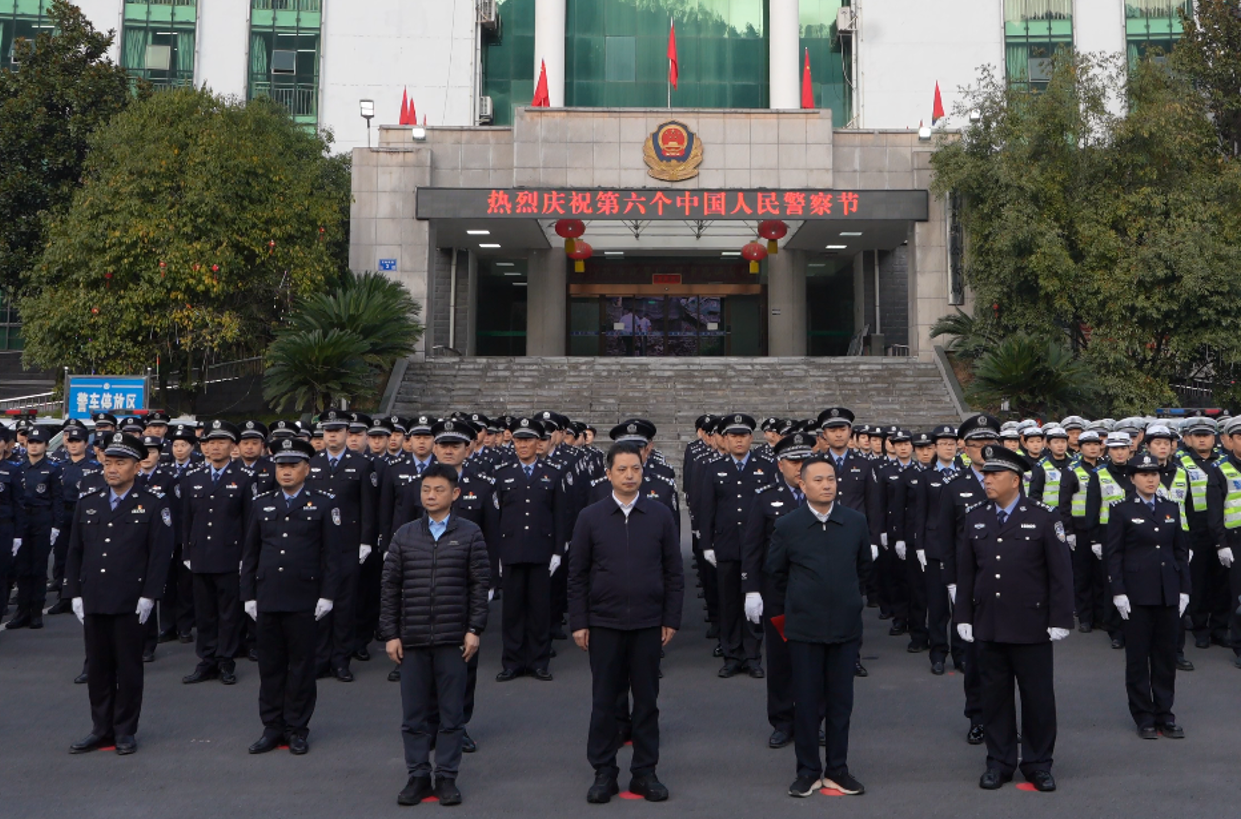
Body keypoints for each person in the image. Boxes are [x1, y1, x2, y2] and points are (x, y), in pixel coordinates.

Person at [954, 445, 1073, 792]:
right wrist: (963, 614)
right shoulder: (976, 517)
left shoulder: (1043, 516)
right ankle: (1000, 761)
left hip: (1031, 624)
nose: (987, 479)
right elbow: (967, 571)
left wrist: (1060, 617)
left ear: (1015, 480)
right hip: (989, 622)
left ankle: (1037, 763)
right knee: (994, 697)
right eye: (985, 474)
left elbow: (1060, 573)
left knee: (1037, 699)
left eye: (994, 475)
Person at [569, 442, 682, 804]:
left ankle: (645, 772)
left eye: (635, 468)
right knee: (604, 701)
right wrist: (579, 622)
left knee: (647, 701)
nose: (630, 475)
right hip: (604, 623)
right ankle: (604, 772)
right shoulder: (590, 517)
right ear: (609, 474)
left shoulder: (661, 515)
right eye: (622, 469)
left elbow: (673, 572)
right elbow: (577, 575)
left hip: (649, 623)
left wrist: (671, 618)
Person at [381, 463, 489, 807]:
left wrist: (474, 630)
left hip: (452, 639)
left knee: (450, 714)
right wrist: (390, 634)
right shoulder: (405, 534)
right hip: (412, 639)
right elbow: (390, 588)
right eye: (426, 489)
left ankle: (446, 777)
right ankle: (416, 775)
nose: (431, 495)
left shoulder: (470, 533)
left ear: (455, 494)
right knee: (413, 715)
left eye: (439, 490)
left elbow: (479, 586)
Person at [766, 456, 871, 798]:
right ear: (802, 484)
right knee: (807, 703)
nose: (827, 485)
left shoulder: (854, 522)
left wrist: (852, 600)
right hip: (803, 629)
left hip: (844, 627)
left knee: (841, 703)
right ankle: (808, 770)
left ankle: (837, 769)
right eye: (819, 480)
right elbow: (776, 574)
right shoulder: (788, 525)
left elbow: (864, 569)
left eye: (831, 479)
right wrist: (793, 612)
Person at [64, 433, 174, 755]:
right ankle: (101, 729)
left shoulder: (153, 503)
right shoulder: (89, 501)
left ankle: (125, 730)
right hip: (95, 596)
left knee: (127, 668)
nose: (112, 469)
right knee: (98, 669)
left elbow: (160, 554)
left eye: (120, 463)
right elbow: (74, 552)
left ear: (137, 466)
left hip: (130, 599)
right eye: (108, 463)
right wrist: (75, 593)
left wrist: (150, 596)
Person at [240, 438, 342, 756]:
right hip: (268, 595)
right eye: (281, 465)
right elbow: (250, 553)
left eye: (293, 465)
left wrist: (327, 595)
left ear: (306, 469)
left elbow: (332, 556)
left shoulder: (324, 503)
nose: (286, 471)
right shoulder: (262, 503)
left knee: (301, 667)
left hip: (304, 597)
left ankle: (297, 728)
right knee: (270, 666)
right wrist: (248, 596)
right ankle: (272, 727)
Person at [1106, 450, 1190, 740]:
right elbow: (1113, 554)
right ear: (1132, 479)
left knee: (1165, 658)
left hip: (1168, 592)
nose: (1151, 479)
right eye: (1144, 474)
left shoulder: (1170, 507)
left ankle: (1165, 714)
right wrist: (1118, 591)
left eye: (1154, 474)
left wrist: (1184, 590)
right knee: (1139, 659)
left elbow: (1179, 550)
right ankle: (1144, 716)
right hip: (1137, 595)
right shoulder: (1121, 510)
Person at [741, 432, 813, 749]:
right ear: (781, 464)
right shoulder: (765, 498)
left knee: (815, 661)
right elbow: (753, 547)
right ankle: (783, 720)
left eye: (805, 460)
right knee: (782, 660)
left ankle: (814, 720)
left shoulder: (824, 496)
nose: (801, 467)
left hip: (816, 593)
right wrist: (751, 589)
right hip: (780, 593)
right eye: (795, 461)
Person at [486, 417, 566, 682]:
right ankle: (513, 661)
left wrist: (557, 551)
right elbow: (495, 518)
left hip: (541, 550)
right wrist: (496, 554)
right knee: (512, 610)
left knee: (539, 609)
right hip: (511, 550)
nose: (523, 445)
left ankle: (538, 661)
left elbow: (559, 515)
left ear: (538, 443)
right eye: (519, 440)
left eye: (528, 440)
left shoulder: (552, 473)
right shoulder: (502, 473)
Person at [698, 413, 773, 679]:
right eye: (733, 436)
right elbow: (706, 509)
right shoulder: (713, 468)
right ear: (724, 439)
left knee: (754, 602)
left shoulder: (766, 466)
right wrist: (706, 544)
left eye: (743, 436)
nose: (738, 440)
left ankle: (752, 656)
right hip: (727, 545)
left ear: (751, 439)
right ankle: (731, 654)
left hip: (758, 547)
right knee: (729, 602)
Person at [305, 409, 377, 683]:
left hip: (348, 544)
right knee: (321, 604)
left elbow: (368, 506)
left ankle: (341, 660)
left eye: (337, 431)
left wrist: (365, 541)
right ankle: (321, 658)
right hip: (318, 545)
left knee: (345, 605)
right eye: (327, 431)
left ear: (348, 433)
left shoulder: (361, 464)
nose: (332, 435)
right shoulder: (312, 463)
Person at [182, 420, 254, 686]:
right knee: (204, 613)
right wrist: (187, 552)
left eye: (221, 442)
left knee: (228, 613)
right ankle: (206, 659)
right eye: (210, 443)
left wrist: (246, 558)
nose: (215, 447)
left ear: (232, 446)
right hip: (201, 557)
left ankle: (226, 660)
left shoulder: (245, 479)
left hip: (229, 557)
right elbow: (187, 520)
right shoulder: (193, 478)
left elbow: (249, 523)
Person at [7, 424, 64, 630]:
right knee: (22, 568)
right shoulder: (17, 468)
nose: (33, 446)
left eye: (38, 442)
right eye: (31, 442)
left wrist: (56, 526)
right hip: (22, 521)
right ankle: (22, 612)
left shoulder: (53, 469)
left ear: (46, 445)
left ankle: (36, 612)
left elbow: (57, 499)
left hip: (42, 520)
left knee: (38, 568)